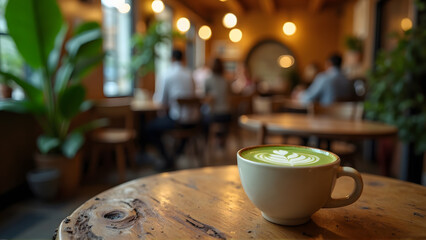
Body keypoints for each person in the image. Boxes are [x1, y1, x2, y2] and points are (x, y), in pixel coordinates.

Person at [141, 49, 195, 170]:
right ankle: (173, 157)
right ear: (183, 58)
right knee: (175, 125)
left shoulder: (167, 74)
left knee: (149, 129)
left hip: (178, 121)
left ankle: (167, 158)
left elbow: (159, 101)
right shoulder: (190, 74)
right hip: (194, 121)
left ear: (172, 59)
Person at [203, 58, 231, 146]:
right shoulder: (226, 81)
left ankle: (206, 143)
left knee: (202, 119)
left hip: (214, 114)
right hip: (227, 114)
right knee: (223, 121)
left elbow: (205, 97)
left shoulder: (208, 80)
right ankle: (221, 140)